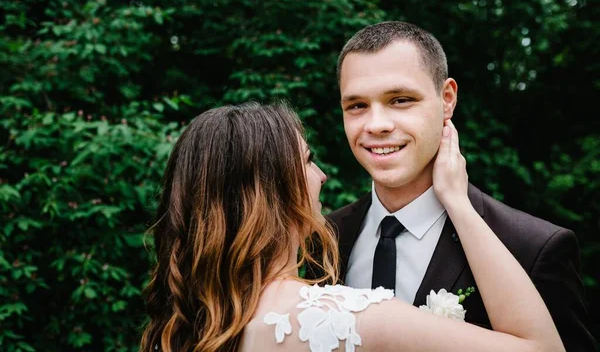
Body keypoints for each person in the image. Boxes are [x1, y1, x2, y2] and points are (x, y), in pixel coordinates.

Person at [139, 102, 564, 352]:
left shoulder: (191, 323)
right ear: (268, 190)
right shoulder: (348, 315)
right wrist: (458, 200)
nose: (321, 175)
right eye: (306, 161)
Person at [330, 21, 595, 350]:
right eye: (357, 106)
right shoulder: (323, 238)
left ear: (447, 99)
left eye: (400, 100)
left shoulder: (534, 248)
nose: (377, 125)